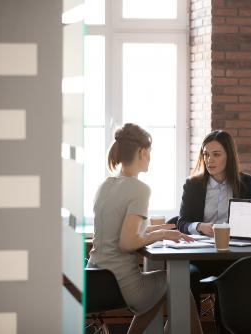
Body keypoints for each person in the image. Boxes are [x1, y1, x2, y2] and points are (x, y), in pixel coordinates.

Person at [87, 123, 203, 334]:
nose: (150, 157)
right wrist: (162, 233)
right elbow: (127, 243)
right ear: (141, 152)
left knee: (166, 290)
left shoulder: (106, 185)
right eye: (149, 152)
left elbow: (117, 234)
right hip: (123, 283)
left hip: (98, 277)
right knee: (178, 287)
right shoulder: (139, 189)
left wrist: (151, 231)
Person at [176, 130, 251, 306]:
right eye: (205, 154)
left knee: (249, 272)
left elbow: (249, 220)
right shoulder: (193, 185)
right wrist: (200, 226)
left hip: (232, 254)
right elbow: (181, 222)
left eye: (216, 154)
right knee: (189, 275)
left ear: (229, 156)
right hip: (199, 255)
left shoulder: (245, 183)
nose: (209, 160)